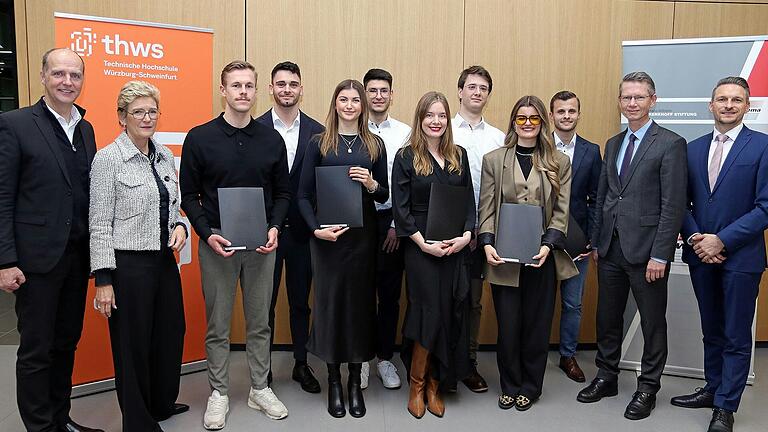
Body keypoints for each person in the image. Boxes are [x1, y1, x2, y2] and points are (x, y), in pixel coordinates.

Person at [180, 60, 291, 429]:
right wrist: (205, 232)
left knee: (260, 322)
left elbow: (283, 193)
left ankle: (260, 388)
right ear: (223, 91)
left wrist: (275, 227)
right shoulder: (200, 137)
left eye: (249, 86)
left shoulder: (271, 140)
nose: (243, 92)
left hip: (262, 247)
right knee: (218, 325)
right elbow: (189, 195)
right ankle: (219, 392)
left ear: (257, 92)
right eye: (236, 86)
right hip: (217, 247)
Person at [0, 48, 103, 432]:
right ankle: (40, 427)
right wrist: (5, 260)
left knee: (65, 345)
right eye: (59, 73)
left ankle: (62, 419)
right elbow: (3, 196)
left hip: (76, 258)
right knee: (36, 352)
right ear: (43, 76)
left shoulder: (85, 128)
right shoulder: (15, 124)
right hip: (35, 261)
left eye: (75, 75)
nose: (67, 82)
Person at [578, 72, 687, 421]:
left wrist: (661, 254)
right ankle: (607, 376)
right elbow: (606, 196)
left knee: (653, 322)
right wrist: (596, 242)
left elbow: (673, 205)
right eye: (626, 98)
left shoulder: (670, 143)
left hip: (647, 253)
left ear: (653, 100)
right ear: (620, 101)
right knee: (607, 317)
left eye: (639, 97)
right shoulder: (613, 144)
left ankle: (647, 387)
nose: (632, 103)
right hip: (610, 248)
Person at [89, 80, 189, 432]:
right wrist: (104, 280)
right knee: (132, 346)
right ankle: (139, 421)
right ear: (122, 116)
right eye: (138, 112)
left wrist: (181, 228)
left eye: (152, 111)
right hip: (127, 266)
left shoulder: (161, 154)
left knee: (170, 333)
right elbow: (99, 224)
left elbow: (173, 209)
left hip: (163, 262)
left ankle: (161, 403)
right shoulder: (108, 159)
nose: (147, 118)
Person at [673, 77, 768, 432]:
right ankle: (713, 388)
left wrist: (722, 240)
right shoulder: (692, 148)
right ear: (710, 105)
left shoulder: (762, 147)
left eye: (736, 100)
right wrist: (698, 237)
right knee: (711, 330)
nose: (728, 105)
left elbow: (765, 207)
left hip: (741, 259)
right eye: (722, 99)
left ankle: (726, 407)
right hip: (700, 255)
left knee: (736, 335)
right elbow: (681, 202)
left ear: (747, 106)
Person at [478, 95, 577, 411]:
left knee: (537, 325)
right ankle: (509, 384)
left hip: (541, 257)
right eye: (522, 118)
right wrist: (488, 243)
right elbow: (487, 206)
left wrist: (548, 245)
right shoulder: (495, 160)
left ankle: (531, 387)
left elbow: (562, 211)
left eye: (534, 119)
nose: (528, 124)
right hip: (503, 256)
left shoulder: (558, 162)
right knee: (508, 325)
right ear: (513, 122)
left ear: (542, 123)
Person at [297, 79, 389, 418]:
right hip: (328, 241)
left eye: (355, 100)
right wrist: (316, 229)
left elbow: (383, 194)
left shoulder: (374, 144)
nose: (350, 105)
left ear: (363, 106)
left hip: (362, 241)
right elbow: (303, 195)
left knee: (361, 309)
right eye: (343, 99)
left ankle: (354, 382)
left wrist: (371, 183)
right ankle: (334, 381)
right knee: (331, 307)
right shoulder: (319, 143)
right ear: (335, 103)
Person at [392, 91, 474, 418]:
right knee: (428, 312)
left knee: (450, 312)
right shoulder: (406, 157)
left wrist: (467, 236)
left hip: (454, 246)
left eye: (441, 115)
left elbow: (469, 202)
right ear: (420, 119)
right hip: (420, 248)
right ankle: (416, 384)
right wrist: (423, 243)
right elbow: (401, 210)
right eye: (430, 115)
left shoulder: (459, 156)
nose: (436, 121)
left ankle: (435, 384)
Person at [255, 61, 324, 394]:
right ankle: (262, 370)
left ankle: (300, 363)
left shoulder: (318, 131)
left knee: (300, 302)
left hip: (301, 232)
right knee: (263, 304)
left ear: (301, 88)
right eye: (280, 84)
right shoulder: (252, 129)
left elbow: (319, 186)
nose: (286, 89)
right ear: (270, 88)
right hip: (264, 231)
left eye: (292, 84)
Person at [451, 65, 505, 392]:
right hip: (445, 229)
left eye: (483, 88)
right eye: (471, 86)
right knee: (442, 298)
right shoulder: (443, 130)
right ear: (460, 91)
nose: (476, 92)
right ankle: (436, 361)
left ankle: (469, 364)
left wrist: (481, 231)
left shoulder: (498, 138)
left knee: (472, 300)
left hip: (483, 232)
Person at [363, 67, 411, 390]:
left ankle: (385, 359)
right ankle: (363, 358)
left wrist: (397, 222)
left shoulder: (406, 133)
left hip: (393, 221)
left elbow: (408, 183)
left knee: (390, 296)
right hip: (360, 222)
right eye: (373, 91)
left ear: (392, 95)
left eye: (384, 91)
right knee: (362, 292)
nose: (378, 96)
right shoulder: (348, 128)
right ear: (365, 94)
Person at [548, 91, 602, 383]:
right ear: (552, 115)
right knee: (539, 301)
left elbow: (596, 198)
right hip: (542, 240)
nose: (566, 116)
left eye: (571, 111)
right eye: (561, 111)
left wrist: (591, 239)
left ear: (578, 114)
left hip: (577, 242)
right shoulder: (539, 146)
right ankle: (533, 351)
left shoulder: (591, 151)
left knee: (573, 303)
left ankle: (568, 355)